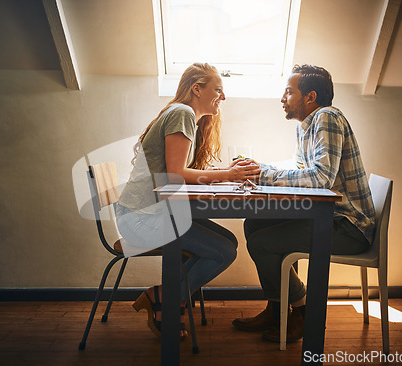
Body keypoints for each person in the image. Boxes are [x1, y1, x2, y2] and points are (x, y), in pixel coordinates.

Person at [232, 64, 376, 343]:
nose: (282, 98)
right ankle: (277, 309)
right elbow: (299, 167)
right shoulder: (305, 127)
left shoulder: (327, 118)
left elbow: (321, 177)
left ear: (310, 97)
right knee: (255, 222)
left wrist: (264, 174)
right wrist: (259, 166)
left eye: (288, 92)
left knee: (262, 243)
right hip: (329, 219)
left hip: (349, 227)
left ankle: (303, 311)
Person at [115, 63, 261, 338]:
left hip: (149, 213)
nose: (223, 97)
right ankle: (165, 300)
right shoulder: (182, 113)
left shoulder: (184, 116)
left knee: (228, 242)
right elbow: (175, 175)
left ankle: (166, 298)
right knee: (223, 252)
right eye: (218, 89)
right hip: (140, 218)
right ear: (197, 89)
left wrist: (224, 175)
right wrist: (227, 175)